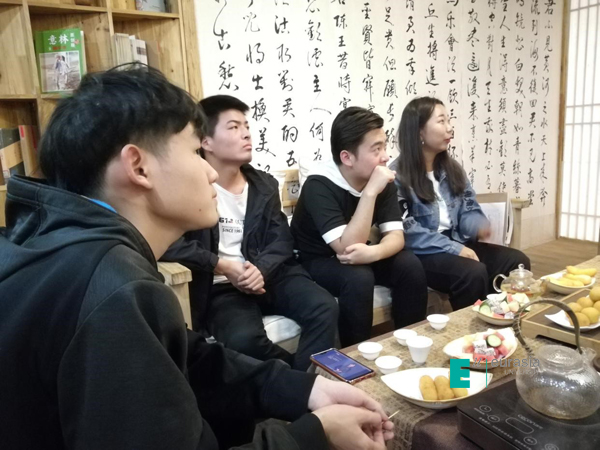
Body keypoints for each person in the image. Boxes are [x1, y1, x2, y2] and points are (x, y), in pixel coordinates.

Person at [0, 67, 393, 450]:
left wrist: (304, 389)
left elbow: (189, 358)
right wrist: (315, 436)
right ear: (138, 166)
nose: (210, 173)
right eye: (194, 151)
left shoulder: (73, 250)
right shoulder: (114, 290)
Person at [162, 95, 338, 372]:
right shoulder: (187, 188)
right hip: (221, 286)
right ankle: (301, 381)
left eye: (246, 126)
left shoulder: (263, 184)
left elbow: (281, 238)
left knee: (324, 307)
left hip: (270, 275)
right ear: (205, 142)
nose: (246, 134)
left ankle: (305, 386)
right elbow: (169, 245)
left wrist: (260, 269)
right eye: (233, 127)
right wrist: (221, 265)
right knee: (243, 340)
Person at [290, 106, 428, 348]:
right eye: (376, 149)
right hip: (315, 261)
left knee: (409, 265)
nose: (385, 156)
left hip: (361, 252)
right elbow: (346, 249)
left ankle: (410, 347)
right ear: (347, 157)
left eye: (384, 146)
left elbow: (396, 237)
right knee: (358, 277)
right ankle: (356, 356)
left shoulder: (380, 178)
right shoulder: (319, 184)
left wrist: (374, 252)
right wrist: (370, 192)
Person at [389, 96, 531, 310]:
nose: (449, 128)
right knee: (472, 272)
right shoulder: (398, 175)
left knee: (516, 262)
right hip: (424, 251)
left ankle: (499, 317)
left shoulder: (452, 169)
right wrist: (454, 248)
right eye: (441, 121)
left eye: (449, 120)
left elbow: (469, 207)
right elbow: (408, 231)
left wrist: (477, 224)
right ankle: (471, 326)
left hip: (457, 241)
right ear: (419, 132)